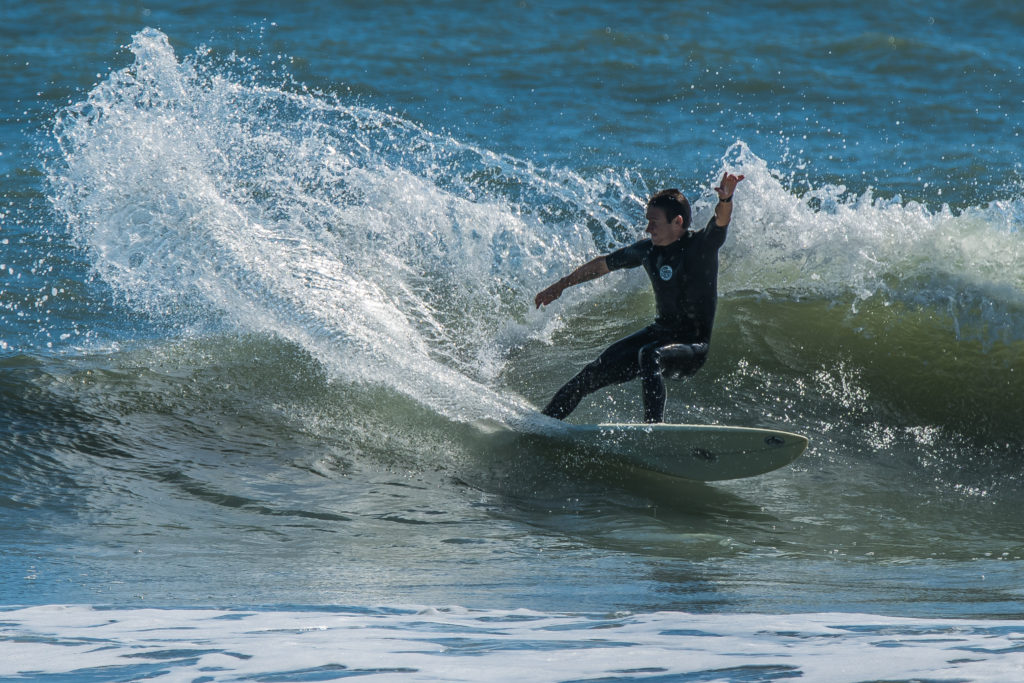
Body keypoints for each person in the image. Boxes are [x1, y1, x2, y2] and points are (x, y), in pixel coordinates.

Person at [534, 173, 744, 423]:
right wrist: (561, 285)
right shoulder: (647, 251)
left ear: (677, 222)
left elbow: (720, 220)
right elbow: (604, 264)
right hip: (659, 334)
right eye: (648, 221)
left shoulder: (702, 244)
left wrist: (726, 198)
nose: (648, 228)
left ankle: (653, 429)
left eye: (654, 222)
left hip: (692, 347)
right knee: (592, 372)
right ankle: (542, 423)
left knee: (649, 354)